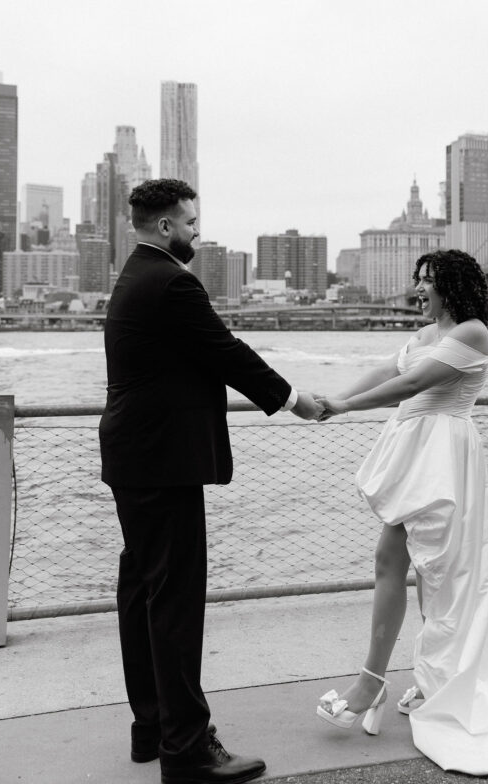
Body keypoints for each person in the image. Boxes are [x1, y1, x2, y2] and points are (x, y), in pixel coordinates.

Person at [315, 249, 488, 776]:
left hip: (445, 463)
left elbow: (412, 385)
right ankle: (378, 680)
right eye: (417, 280)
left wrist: (343, 409)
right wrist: (330, 399)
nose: (418, 289)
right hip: (415, 457)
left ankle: (411, 683)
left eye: (427, 281)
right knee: (390, 561)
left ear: (452, 286)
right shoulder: (424, 334)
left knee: (445, 578)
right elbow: (387, 370)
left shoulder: (473, 333)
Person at [99, 178, 321, 784]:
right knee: (174, 602)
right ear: (167, 225)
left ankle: (154, 730)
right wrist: (294, 398)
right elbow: (225, 351)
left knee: (144, 593)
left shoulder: (134, 276)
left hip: (135, 456)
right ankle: (189, 751)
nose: (199, 231)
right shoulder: (172, 280)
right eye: (192, 222)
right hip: (163, 462)